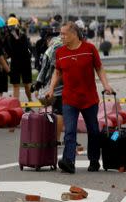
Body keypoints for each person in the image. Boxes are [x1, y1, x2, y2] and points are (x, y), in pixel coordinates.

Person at [45, 22, 114, 174]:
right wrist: (51, 90)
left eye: (64, 34)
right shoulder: (60, 52)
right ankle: (69, 161)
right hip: (69, 99)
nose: (61, 37)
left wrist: (106, 85)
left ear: (74, 34)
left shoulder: (89, 49)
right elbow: (57, 73)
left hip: (89, 98)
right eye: (60, 34)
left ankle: (94, 160)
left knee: (93, 131)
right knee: (69, 131)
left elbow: (99, 68)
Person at [33, 29, 64, 140]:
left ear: (48, 40)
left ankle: (56, 139)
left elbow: (44, 70)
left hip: (56, 86)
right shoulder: (67, 45)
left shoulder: (51, 50)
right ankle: (70, 140)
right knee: (69, 113)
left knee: (58, 112)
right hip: (70, 85)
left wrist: (38, 84)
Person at [4, 17, 33, 101]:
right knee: (16, 84)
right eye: (10, 27)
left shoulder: (21, 35)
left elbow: (24, 48)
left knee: (26, 83)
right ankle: (16, 104)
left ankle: (30, 100)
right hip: (16, 62)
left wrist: (17, 37)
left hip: (24, 61)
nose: (11, 28)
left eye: (12, 26)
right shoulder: (8, 37)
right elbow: (8, 52)